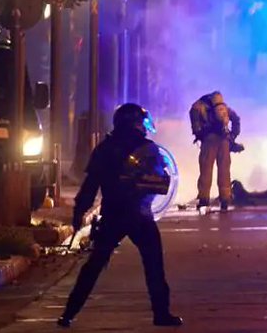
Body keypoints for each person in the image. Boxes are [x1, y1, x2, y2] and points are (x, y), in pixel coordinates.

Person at [58, 103, 182, 328]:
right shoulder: (148, 149)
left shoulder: (104, 149)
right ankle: (161, 314)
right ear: (135, 123)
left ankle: (68, 314)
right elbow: (161, 183)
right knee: (153, 265)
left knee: (94, 266)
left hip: (113, 215)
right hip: (139, 216)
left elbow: (89, 187)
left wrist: (79, 214)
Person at [189, 91, 241, 213]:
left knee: (206, 171)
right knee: (224, 171)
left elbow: (196, 128)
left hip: (209, 141)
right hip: (224, 141)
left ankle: (204, 201)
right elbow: (236, 119)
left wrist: (202, 136)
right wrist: (232, 137)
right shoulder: (224, 108)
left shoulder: (197, 107)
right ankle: (225, 200)